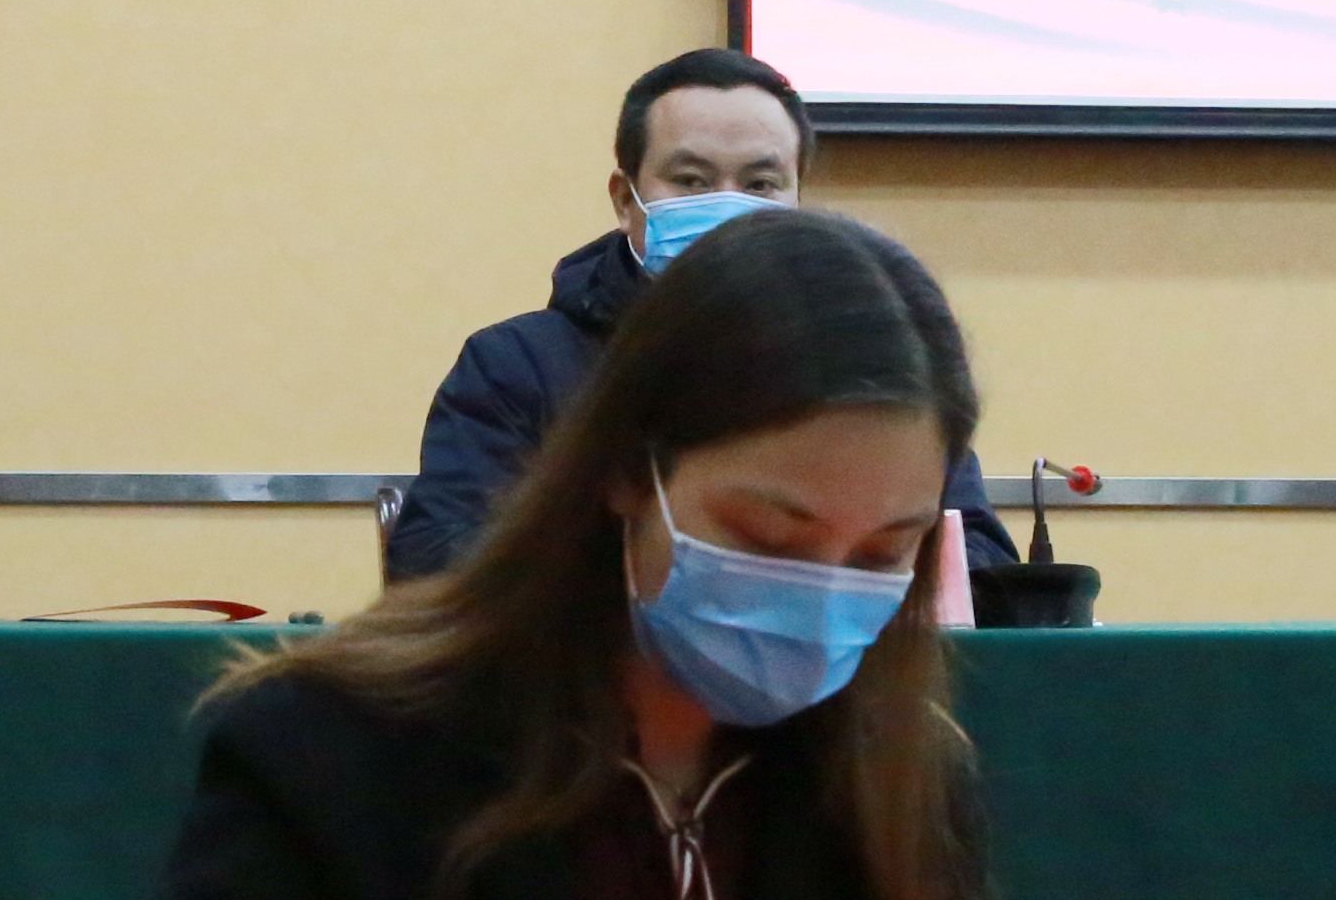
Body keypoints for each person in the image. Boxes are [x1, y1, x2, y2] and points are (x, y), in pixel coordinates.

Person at [98, 205, 1084, 900]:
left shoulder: (895, 769)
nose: (821, 592)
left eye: (883, 553)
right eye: (766, 534)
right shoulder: (337, 745)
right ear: (624, 470)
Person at [386, 46, 1019, 581]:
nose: (726, 205)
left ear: (798, 200)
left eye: (760, 185)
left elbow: (977, 560)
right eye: (690, 181)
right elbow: (436, 559)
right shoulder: (518, 366)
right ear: (626, 199)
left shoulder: (880, 362)